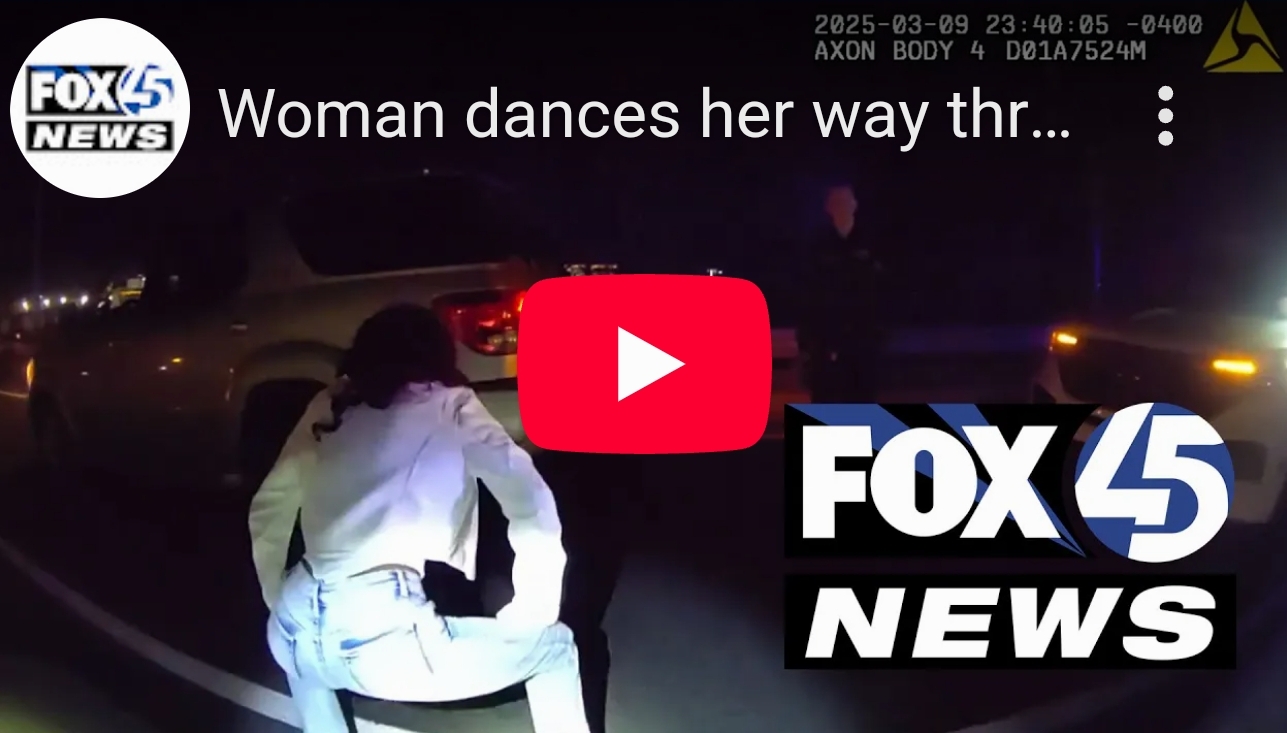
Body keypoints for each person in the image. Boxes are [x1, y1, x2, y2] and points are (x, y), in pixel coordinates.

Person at [248, 304, 590, 733]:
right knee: (555, 648)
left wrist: (276, 596)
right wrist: (535, 606)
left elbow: (270, 503)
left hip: (290, 631)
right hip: (380, 642)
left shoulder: (331, 403)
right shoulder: (451, 404)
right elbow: (528, 497)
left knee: (311, 670)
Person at [797, 184, 886, 403]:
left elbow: (883, 291)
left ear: (855, 205)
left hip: (863, 343)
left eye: (846, 202)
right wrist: (808, 342)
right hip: (826, 344)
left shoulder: (871, 243)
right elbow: (806, 296)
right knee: (827, 404)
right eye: (837, 202)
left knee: (862, 405)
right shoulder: (817, 246)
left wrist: (879, 334)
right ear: (828, 207)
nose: (842, 207)